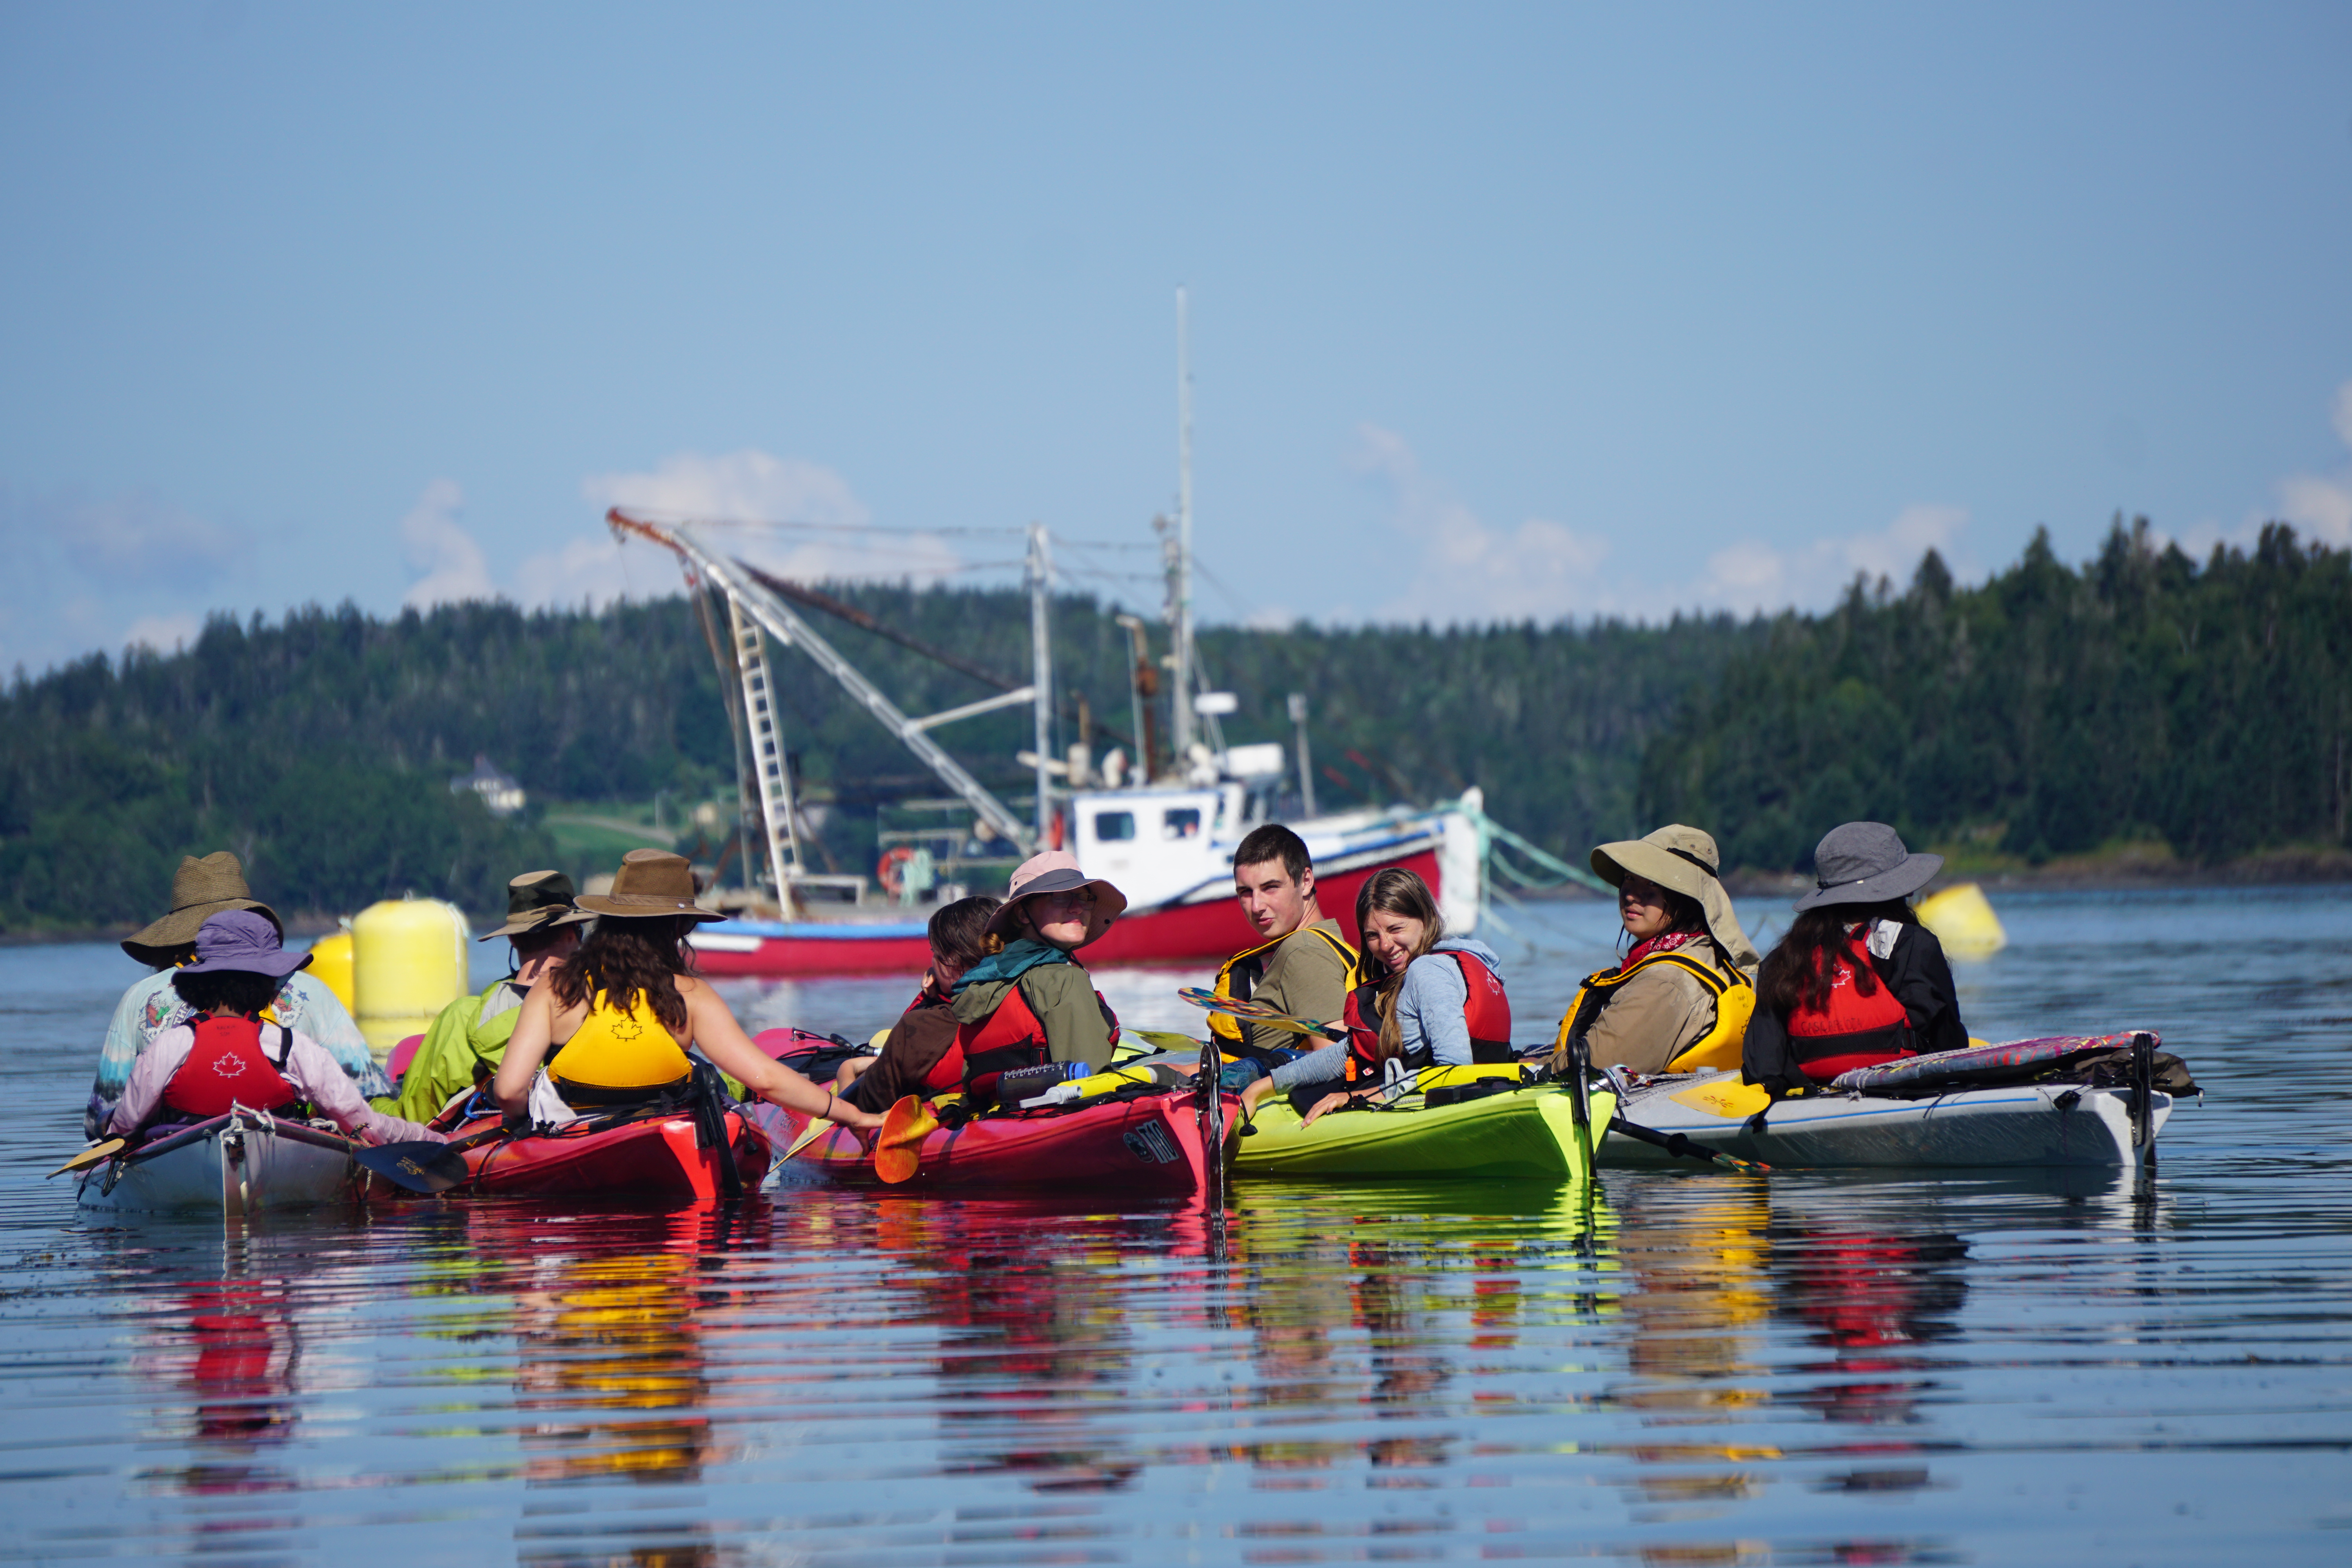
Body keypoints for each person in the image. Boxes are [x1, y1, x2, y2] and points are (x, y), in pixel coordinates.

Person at [493, 849, 880, 1132]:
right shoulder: (690, 996)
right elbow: (765, 1078)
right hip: (663, 1133)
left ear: (609, 921)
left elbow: (509, 1090)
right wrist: (851, 1114)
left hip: (570, 1136)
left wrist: (522, 1126)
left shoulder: (553, 989)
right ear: (678, 928)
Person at [89, 851, 387, 1139]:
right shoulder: (312, 990)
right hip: (291, 1151)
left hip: (176, 1151)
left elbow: (100, 1117)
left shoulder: (139, 998)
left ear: (171, 939)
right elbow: (369, 1094)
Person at [107, 910, 444, 1147]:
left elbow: (124, 1125)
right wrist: (427, 1137)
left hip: (184, 1155)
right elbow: (362, 1122)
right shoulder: (290, 1048)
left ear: (200, 984)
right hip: (276, 1155)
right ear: (268, 985)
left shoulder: (168, 1046)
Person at [1242, 867, 1510, 1124]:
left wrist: (1360, 1097)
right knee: (1304, 1089)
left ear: (1426, 918)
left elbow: (1455, 1070)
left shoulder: (1427, 972)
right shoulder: (1430, 969)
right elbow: (1347, 1054)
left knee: (1305, 1099)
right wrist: (1263, 1088)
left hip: (1452, 1100)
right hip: (1458, 1087)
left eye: (1396, 929)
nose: (1384, 946)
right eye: (1372, 935)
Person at [1742, 822, 1970, 1095]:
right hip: (1903, 1089)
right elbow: (1952, 1046)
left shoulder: (1783, 960)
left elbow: (1762, 1066)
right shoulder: (1915, 945)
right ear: (1898, 891)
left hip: (1812, 1094)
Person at [1551, 825, 1762, 1076]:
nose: (1631, 896)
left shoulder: (1664, 981)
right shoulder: (1702, 952)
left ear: (1686, 899)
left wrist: (1524, 1070)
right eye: (1630, 878)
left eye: (1652, 883)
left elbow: (1590, 1066)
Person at [391, 870, 595, 1125]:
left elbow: (414, 1113)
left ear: (512, 938)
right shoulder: (605, 1002)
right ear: (570, 934)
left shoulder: (461, 1017)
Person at [947, 851, 1127, 1102]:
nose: (1078, 908)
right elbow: (1091, 1086)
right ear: (1023, 915)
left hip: (998, 1117)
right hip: (1057, 1118)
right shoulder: (1063, 980)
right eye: (1061, 897)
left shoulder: (984, 980)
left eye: (1084, 897)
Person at [831, 894, 1002, 1112]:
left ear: (952, 962)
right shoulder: (1027, 992)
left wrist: (847, 1068)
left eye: (935, 953)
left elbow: (859, 1111)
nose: (931, 961)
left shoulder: (923, 1027)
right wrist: (939, 992)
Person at [1210, 824, 1359, 1070]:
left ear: (1306, 881)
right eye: (1245, 892)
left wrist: (1261, 1088)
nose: (1256, 905)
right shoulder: (1329, 941)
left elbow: (1335, 1059)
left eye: (1270, 888)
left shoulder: (1303, 950)